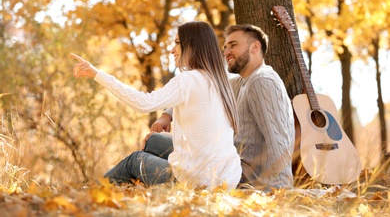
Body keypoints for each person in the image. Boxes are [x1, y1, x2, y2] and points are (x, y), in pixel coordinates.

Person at [71, 21, 241, 191]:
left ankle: (87, 193)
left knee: (134, 160)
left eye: (177, 43)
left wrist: (97, 74)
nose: (172, 50)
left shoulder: (187, 80)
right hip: (225, 177)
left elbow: (143, 104)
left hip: (195, 182)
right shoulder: (220, 81)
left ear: (191, 45)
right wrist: (166, 116)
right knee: (153, 140)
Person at [152, 24, 295, 191]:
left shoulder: (263, 80)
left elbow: (279, 140)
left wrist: (281, 191)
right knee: (154, 141)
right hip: (226, 162)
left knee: (142, 156)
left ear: (255, 47)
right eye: (225, 47)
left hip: (242, 177)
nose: (226, 52)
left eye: (233, 45)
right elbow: (201, 91)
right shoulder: (239, 82)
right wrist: (167, 115)